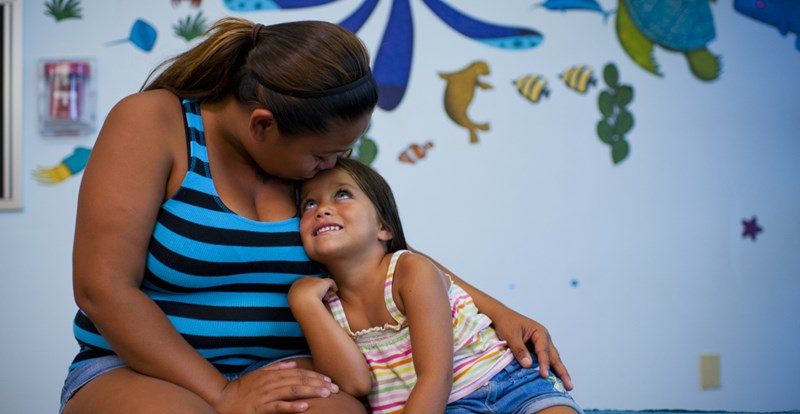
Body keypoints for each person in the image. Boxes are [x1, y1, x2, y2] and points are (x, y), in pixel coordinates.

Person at [62, 16, 571, 414]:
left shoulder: (308, 165)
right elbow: (103, 288)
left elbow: (382, 252)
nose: (334, 166)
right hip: (143, 372)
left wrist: (499, 313)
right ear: (263, 126)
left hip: (292, 369)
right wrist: (221, 394)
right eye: (323, 155)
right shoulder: (154, 122)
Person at [289, 157, 584, 414]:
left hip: (507, 383)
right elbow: (355, 383)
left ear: (384, 228)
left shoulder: (410, 270)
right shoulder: (328, 305)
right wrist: (305, 303)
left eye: (342, 195)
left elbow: (436, 376)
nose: (322, 210)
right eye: (309, 203)